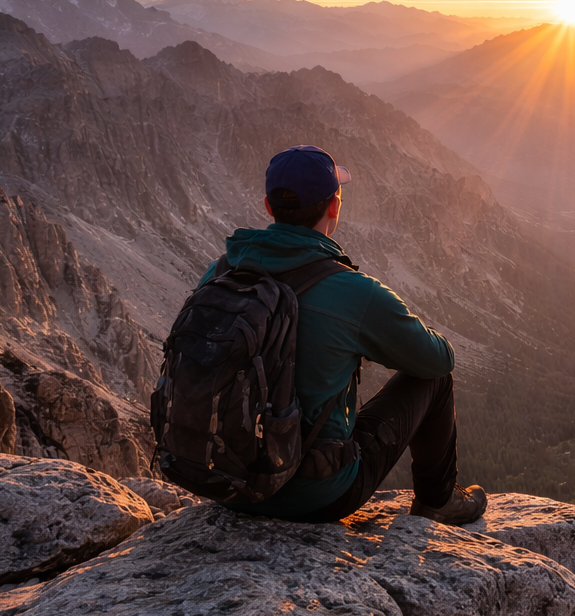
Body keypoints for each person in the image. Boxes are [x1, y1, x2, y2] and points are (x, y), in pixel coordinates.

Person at [198, 144, 487, 525]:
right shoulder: (352, 291)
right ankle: (438, 500)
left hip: (224, 485)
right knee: (435, 381)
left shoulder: (220, 273)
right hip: (315, 495)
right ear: (334, 206)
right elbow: (438, 359)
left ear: (268, 207)